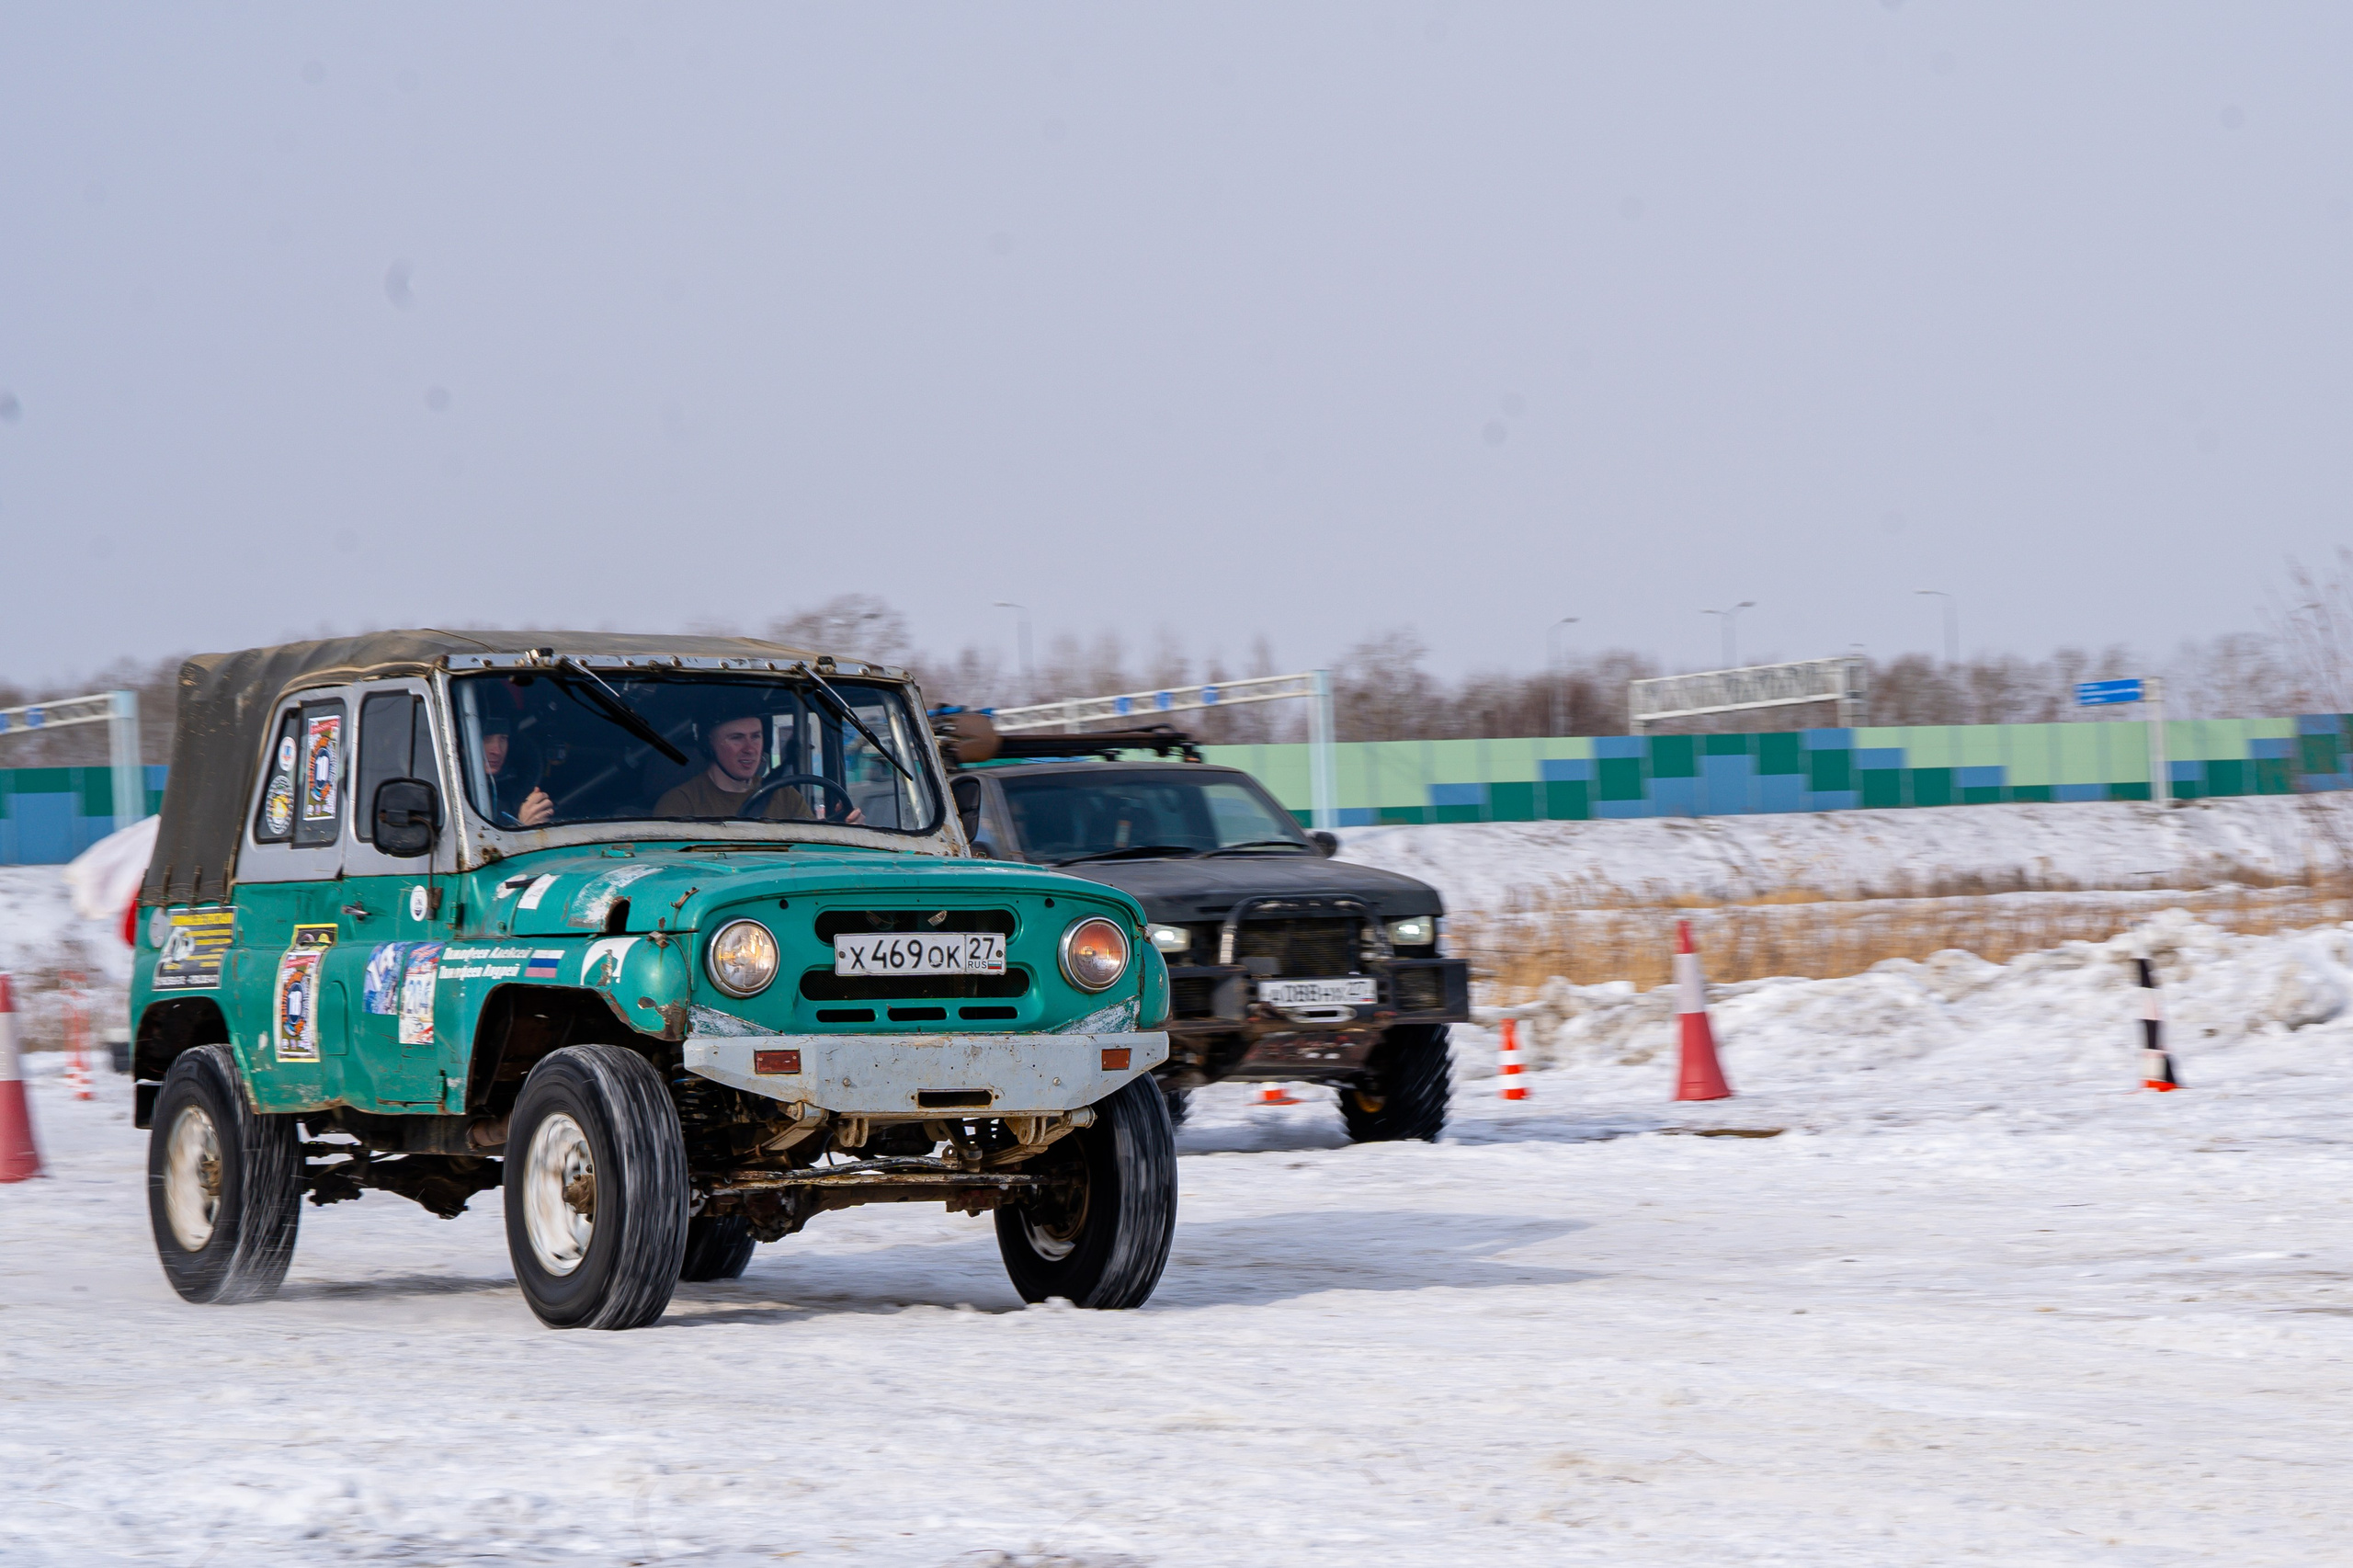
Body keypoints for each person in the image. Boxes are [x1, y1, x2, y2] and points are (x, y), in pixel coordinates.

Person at [654, 708, 861, 824]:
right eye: (737, 738)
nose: (750, 748)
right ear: (709, 746)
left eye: (756, 737)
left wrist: (845, 830)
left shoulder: (786, 796)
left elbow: (810, 855)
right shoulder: (680, 804)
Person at [480, 715, 554, 828]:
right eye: (487, 739)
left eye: (503, 739)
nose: (497, 751)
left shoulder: (515, 790)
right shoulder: (450, 796)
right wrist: (524, 827)